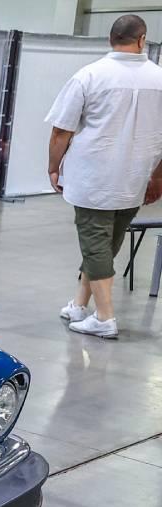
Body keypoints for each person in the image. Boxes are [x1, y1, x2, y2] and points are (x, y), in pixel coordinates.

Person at [47, 13, 162, 339]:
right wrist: (157, 177)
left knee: (96, 243)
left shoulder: (89, 76)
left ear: (111, 39)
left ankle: (105, 317)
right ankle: (79, 305)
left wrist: (54, 166)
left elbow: (61, 131)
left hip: (93, 177)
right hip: (136, 177)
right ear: (142, 40)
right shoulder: (159, 78)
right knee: (106, 243)